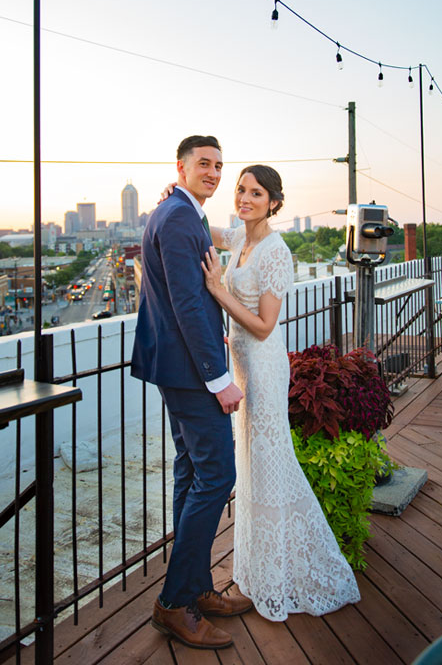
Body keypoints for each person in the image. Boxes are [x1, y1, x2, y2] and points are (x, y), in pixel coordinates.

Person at [199, 165, 360, 621]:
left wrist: (216, 289)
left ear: (274, 201)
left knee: (269, 468)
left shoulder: (275, 251)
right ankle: (259, 571)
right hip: (242, 368)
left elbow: (266, 326)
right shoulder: (240, 239)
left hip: (265, 372)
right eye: (240, 190)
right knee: (253, 469)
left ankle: (273, 580)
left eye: (256, 193)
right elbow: (202, 225)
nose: (245, 198)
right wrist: (182, 197)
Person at [131, 135, 251, 651]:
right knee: (217, 473)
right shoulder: (179, 217)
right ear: (180, 167)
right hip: (190, 371)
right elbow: (185, 302)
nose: (215, 172)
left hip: (173, 367)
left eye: (219, 165)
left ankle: (197, 586)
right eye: (204, 163)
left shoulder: (179, 211)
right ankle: (174, 602)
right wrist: (219, 378)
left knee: (192, 473)